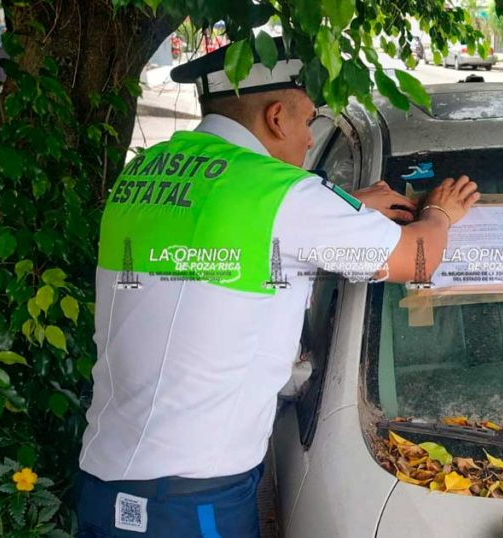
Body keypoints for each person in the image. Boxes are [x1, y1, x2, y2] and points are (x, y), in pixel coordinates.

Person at [75, 37, 478, 537]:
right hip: (190, 498)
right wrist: (440, 212)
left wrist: (343, 206)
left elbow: (223, 227)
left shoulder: (146, 173)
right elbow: (416, 258)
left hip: (108, 482)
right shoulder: (282, 196)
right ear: (275, 118)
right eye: (308, 121)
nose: (310, 140)